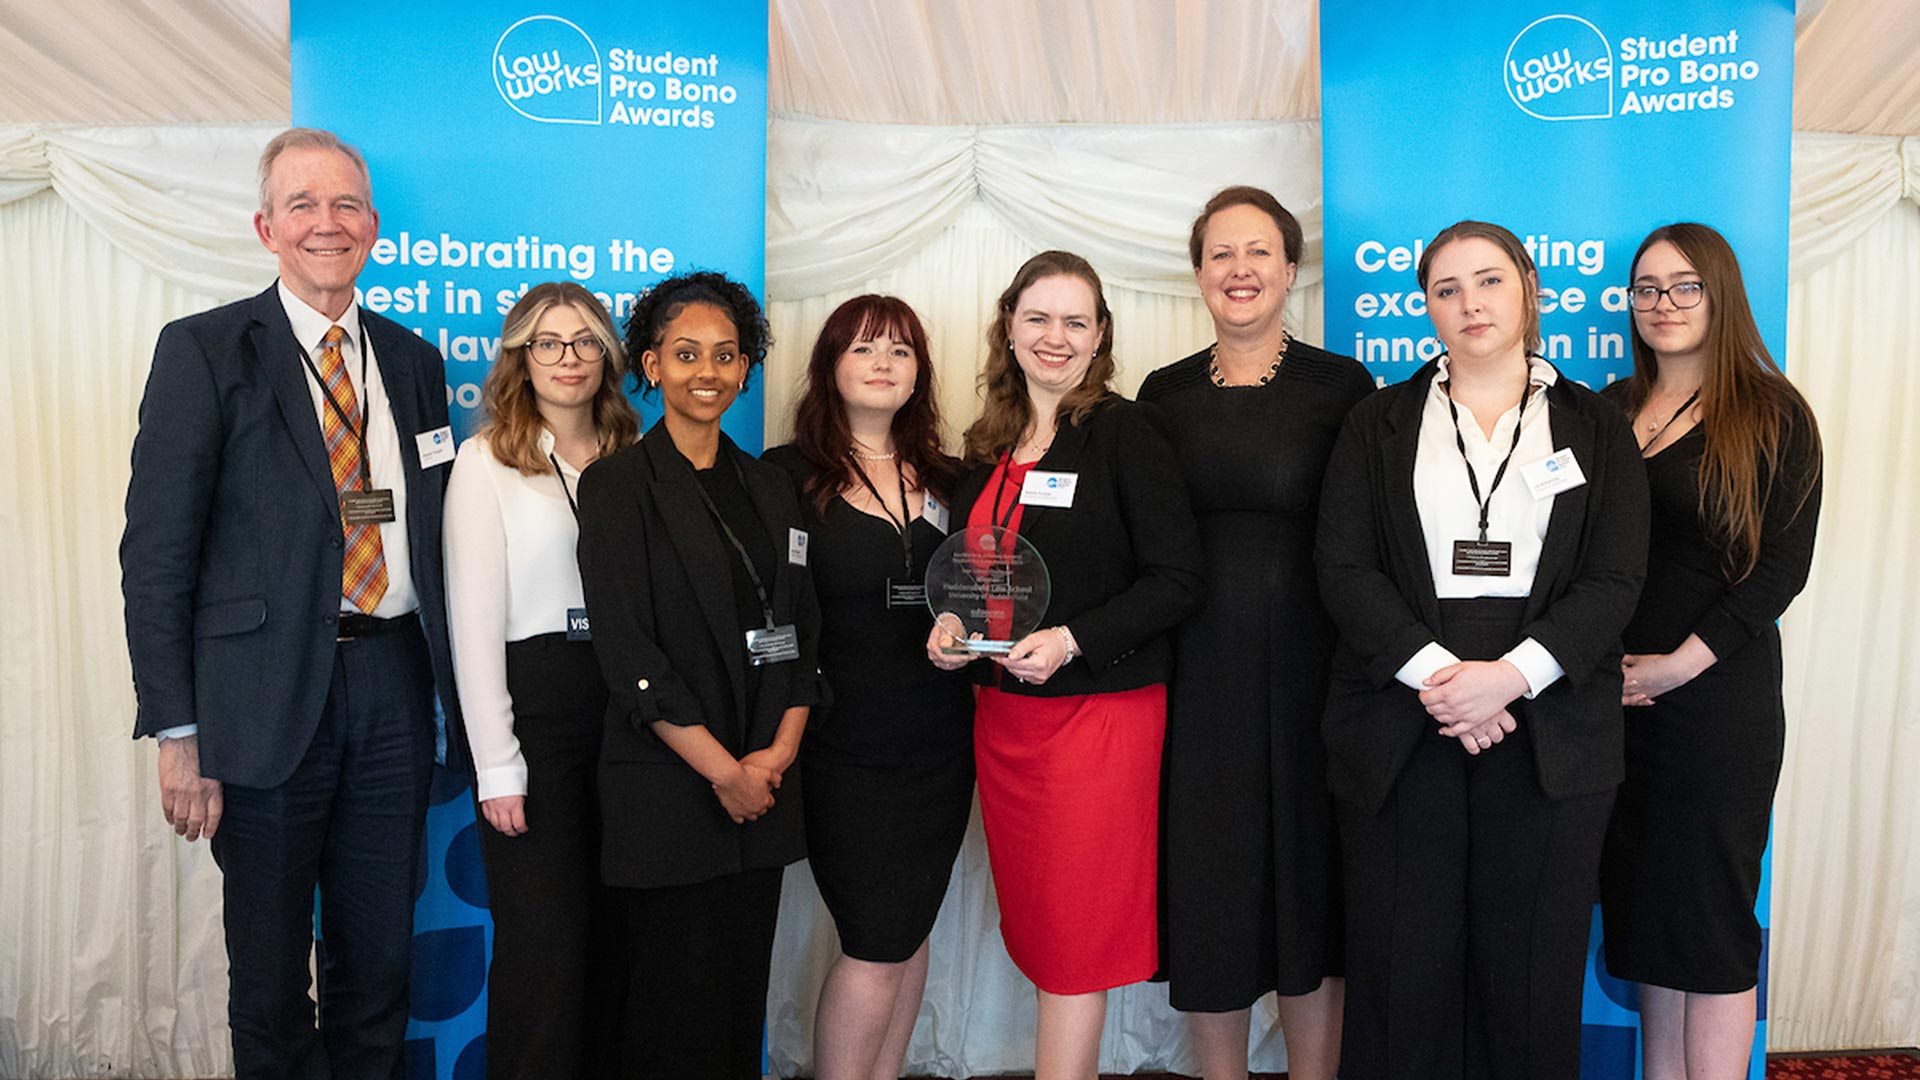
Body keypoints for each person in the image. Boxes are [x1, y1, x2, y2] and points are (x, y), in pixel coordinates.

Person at [120, 127, 466, 1079]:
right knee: (270, 972)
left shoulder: (413, 362)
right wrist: (177, 733)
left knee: (379, 958)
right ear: (266, 227)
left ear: (375, 228)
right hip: (260, 699)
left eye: (346, 205)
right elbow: (156, 557)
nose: (328, 224)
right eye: (304, 206)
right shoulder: (205, 350)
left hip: (394, 686)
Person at [1314, 221, 1648, 1079]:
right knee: (1400, 969)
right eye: (1447, 289)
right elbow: (1343, 568)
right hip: (1402, 718)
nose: (1470, 303)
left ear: (1529, 288)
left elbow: (1615, 580)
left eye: (1489, 280)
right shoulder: (1375, 423)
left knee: (1531, 972)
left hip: (1552, 725)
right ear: (1425, 306)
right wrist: (1442, 681)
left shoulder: (1598, 426)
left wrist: (1507, 679)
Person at [926, 250, 1204, 1080]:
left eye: (1075, 321)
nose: (1055, 337)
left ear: (1100, 337)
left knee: (1078, 933)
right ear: (1008, 328)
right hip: (1004, 721)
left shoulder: (1125, 433)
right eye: (1038, 318)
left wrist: (1074, 639)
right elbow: (983, 576)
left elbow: (1179, 578)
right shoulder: (987, 445)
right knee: (1041, 926)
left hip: (1096, 722)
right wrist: (951, 628)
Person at [1137, 186, 1373, 1080]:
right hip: (1198, 679)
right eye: (1222, 255)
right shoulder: (1162, 395)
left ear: (1291, 268)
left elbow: (1367, 537)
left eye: (1259, 252)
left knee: (1312, 888)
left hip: (1319, 673)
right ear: (1198, 273)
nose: (1240, 270)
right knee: (1213, 888)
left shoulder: (1342, 386)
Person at [574, 271, 822, 1078]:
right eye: (685, 355)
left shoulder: (772, 485)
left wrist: (774, 758)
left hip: (761, 783)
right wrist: (724, 772)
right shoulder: (616, 486)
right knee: (664, 1013)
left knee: (735, 1001)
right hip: (672, 788)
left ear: (747, 369)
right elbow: (628, 655)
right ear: (650, 366)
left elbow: (801, 629)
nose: (706, 372)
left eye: (725, 355)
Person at [1598, 224, 1822, 1080]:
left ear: (1719, 293)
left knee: (1713, 922)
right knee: (1651, 920)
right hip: (1617, 709)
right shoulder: (1609, 410)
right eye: (1646, 288)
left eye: (1683, 286)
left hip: (1714, 706)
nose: (1662, 304)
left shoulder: (1772, 414)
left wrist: (1677, 665)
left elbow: (1781, 572)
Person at [763, 295, 974, 1080]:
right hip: (840, 747)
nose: (883, 363)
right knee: (874, 939)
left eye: (900, 350)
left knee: (910, 931)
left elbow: (993, 590)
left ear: (920, 370)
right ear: (829, 366)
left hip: (942, 744)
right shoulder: (785, 478)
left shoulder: (957, 478)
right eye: (863, 349)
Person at [443, 282, 639, 1078]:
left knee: (617, 936)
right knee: (543, 944)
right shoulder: (484, 461)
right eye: (549, 342)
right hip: (539, 709)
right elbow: (473, 626)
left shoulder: (635, 458)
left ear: (608, 357)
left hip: (631, 709)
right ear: (520, 357)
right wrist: (498, 766)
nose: (568, 358)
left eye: (585, 341)